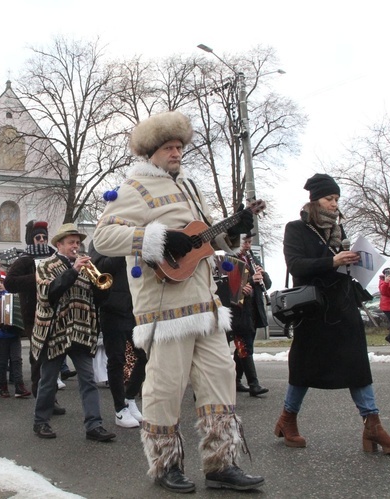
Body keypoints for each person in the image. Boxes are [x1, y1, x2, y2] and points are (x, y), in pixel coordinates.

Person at [93, 111, 264, 493]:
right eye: (169, 147)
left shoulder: (190, 186)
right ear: (152, 152)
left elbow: (203, 239)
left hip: (206, 305)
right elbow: (102, 238)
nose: (176, 153)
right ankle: (165, 464)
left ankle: (221, 463)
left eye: (179, 147)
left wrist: (233, 231)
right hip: (165, 309)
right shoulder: (134, 188)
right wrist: (155, 239)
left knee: (221, 381)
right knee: (165, 388)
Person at [273, 173, 390, 455]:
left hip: (343, 305)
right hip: (313, 309)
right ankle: (288, 419)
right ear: (315, 201)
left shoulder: (338, 231)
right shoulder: (296, 228)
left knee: (357, 365)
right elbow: (297, 266)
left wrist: (355, 262)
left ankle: (373, 426)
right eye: (329, 199)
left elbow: (339, 265)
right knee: (303, 368)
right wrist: (332, 260)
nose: (334, 204)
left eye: (336, 199)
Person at [31, 223, 115, 442]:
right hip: (55, 331)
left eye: (78, 242)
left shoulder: (88, 267)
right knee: (48, 380)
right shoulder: (46, 265)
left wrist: (100, 287)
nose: (75, 246)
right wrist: (74, 270)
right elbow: (49, 293)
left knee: (88, 379)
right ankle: (41, 421)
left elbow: (98, 300)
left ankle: (94, 426)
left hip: (81, 331)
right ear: (59, 244)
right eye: (71, 243)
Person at [4, 220, 65, 415]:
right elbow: (10, 283)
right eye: (38, 237)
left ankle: (51, 397)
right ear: (31, 239)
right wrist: (36, 278)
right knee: (39, 357)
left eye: (44, 237)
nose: (41, 240)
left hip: (55, 312)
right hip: (33, 315)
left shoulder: (54, 256)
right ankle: (42, 398)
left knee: (53, 355)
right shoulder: (25, 259)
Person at [89, 241, 147, 429]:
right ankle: (119, 409)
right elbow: (101, 267)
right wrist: (123, 247)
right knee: (116, 360)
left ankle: (129, 398)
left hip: (135, 308)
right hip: (112, 309)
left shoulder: (134, 239)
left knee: (144, 357)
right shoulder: (99, 241)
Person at [231, 233, 271, 397]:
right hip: (238, 311)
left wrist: (263, 275)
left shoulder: (253, 258)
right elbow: (228, 286)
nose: (248, 245)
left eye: (249, 242)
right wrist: (248, 282)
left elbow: (266, 285)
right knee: (244, 345)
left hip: (254, 308)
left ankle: (236, 380)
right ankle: (254, 384)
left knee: (244, 346)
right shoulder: (230, 258)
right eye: (245, 242)